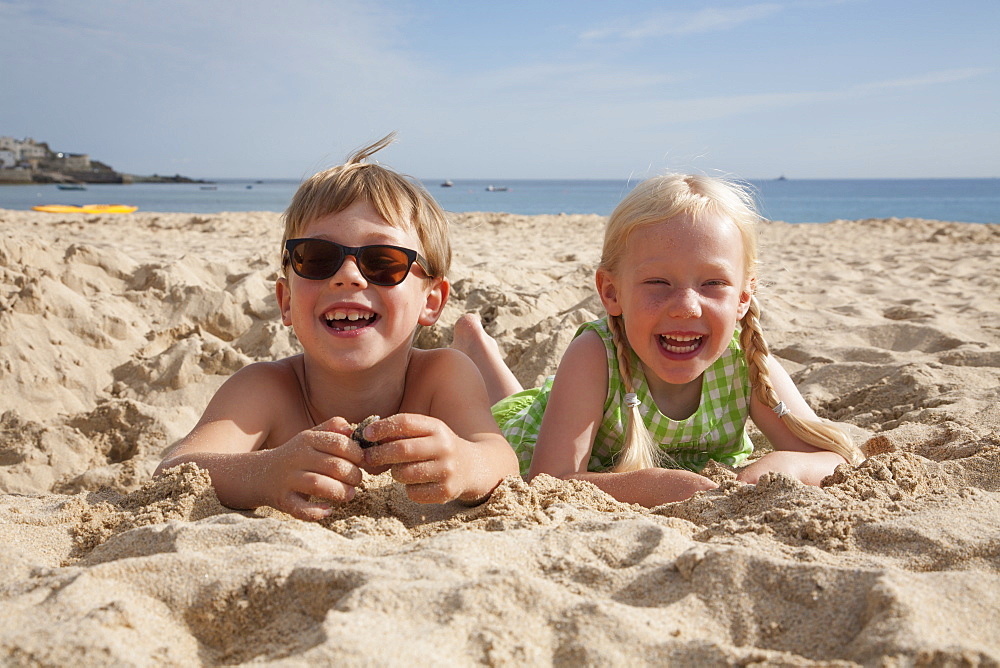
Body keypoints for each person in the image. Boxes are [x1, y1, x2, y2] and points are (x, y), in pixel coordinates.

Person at [155, 133, 518, 520]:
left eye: (383, 261)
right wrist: (266, 472)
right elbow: (173, 472)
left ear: (431, 302)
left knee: (513, 405)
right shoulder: (265, 388)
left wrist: (464, 462)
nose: (347, 277)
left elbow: (502, 460)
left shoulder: (443, 375)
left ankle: (477, 344)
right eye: (317, 258)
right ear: (287, 301)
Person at [453, 173, 864, 507]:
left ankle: (479, 344)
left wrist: (783, 467)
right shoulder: (595, 355)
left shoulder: (747, 364)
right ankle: (475, 341)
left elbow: (832, 457)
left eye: (713, 283)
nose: (686, 306)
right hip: (536, 428)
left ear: (743, 297)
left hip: (571, 405)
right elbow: (550, 479)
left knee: (520, 394)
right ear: (611, 292)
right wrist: (650, 486)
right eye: (658, 282)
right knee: (507, 407)